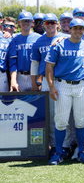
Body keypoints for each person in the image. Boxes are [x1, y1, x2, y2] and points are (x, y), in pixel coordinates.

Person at [46, 19, 84, 165]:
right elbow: (49, 67)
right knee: (61, 121)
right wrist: (51, 86)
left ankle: (80, 152)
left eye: (81, 28)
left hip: (81, 85)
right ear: (70, 29)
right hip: (63, 85)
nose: (78, 31)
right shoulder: (59, 44)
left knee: (81, 121)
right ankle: (58, 152)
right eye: (75, 28)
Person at [30, 13, 63, 153]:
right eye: (47, 23)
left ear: (57, 24)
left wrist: (63, 37)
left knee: (63, 114)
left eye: (52, 22)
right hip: (45, 80)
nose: (50, 25)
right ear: (43, 24)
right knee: (49, 114)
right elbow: (35, 64)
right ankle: (53, 145)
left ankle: (67, 144)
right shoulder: (38, 42)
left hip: (62, 80)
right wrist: (33, 84)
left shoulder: (65, 38)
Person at [9, 12, 41, 92]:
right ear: (19, 23)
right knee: (20, 103)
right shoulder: (14, 39)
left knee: (38, 103)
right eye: (23, 21)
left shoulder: (39, 38)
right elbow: (13, 62)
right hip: (20, 76)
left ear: (32, 23)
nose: (26, 23)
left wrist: (40, 79)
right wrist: (13, 80)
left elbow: (43, 60)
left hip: (35, 76)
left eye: (28, 21)